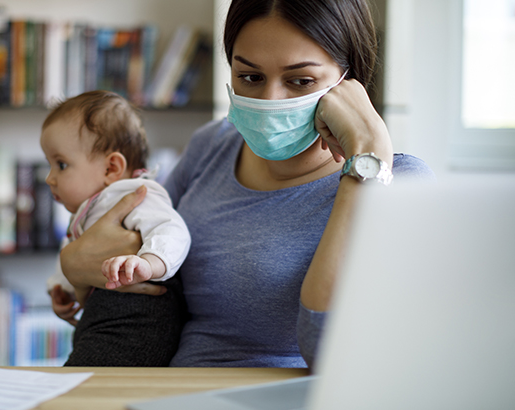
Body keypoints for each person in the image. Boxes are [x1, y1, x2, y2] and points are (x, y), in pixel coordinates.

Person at [55, 0, 436, 369]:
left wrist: (367, 156)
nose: (270, 99)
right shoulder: (212, 146)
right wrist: (71, 263)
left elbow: (330, 352)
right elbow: (128, 248)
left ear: (348, 82)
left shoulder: (398, 184)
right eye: (250, 77)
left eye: (300, 80)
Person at [41, 90, 191, 366]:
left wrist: (150, 264)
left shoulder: (135, 194)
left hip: (138, 322)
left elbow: (172, 229)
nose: (50, 178)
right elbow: (76, 252)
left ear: (112, 168)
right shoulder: (89, 209)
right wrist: (61, 288)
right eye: (49, 165)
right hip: (102, 319)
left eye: (61, 165)